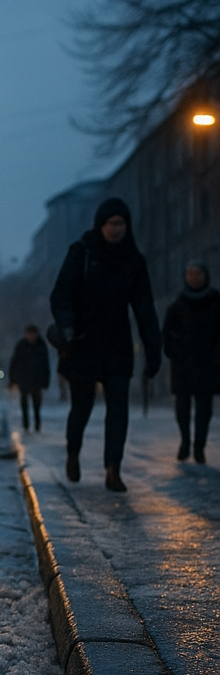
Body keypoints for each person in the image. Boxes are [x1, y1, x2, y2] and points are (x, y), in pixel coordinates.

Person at [49, 197, 161, 492]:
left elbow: (144, 308)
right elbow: (60, 295)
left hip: (117, 344)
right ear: (100, 225)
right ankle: (73, 452)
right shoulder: (81, 253)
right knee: (81, 408)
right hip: (83, 343)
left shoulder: (134, 261)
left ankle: (113, 469)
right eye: (111, 223)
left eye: (121, 223)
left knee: (118, 410)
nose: (116, 229)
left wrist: (153, 349)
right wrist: (69, 326)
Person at [162, 260, 220, 463]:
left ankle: (199, 446)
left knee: (204, 408)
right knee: (183, 406)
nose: (194, 278)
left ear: (205, 276)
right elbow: (167, 334)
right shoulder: (178, 304)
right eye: (190, 274)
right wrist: (174, 352)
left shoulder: (215, 301)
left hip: (208, 363)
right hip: (183, 363)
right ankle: (185, 441)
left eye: (198, 274)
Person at [8, 325, 51, 431]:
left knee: (36, 405)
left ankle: (37, 425)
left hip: (36, 380)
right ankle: (26, 425)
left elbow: (45, 364)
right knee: (24, 404)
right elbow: (14, 363)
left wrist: (45, 381)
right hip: (24, 379)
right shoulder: (21, 345)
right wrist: (13, 379)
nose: (31, 336)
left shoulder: (41, 345)